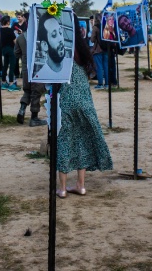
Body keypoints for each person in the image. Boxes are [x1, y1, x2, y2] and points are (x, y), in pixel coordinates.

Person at [56, 22, 113, 198]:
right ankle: (80, 185)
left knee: (64, 142)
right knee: (82, 141)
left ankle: (63, 188)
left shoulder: (61, 49)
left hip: (66, 101)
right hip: (84, 102)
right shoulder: (81, 49)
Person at [14, 11, 47, 126]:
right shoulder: (41, 37)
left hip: (25, 69)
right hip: (38, 69)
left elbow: (16, 53)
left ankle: (22, 109)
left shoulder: (21, 38)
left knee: (27, 90)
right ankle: (34, 118)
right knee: (36, 93)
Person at [33, 11, 69, 79]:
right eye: (54, 35)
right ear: (44, 45)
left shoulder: (71, 66)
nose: (60, 39)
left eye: (60, 32)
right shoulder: (41, 76)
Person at [0, 15, 18, 89]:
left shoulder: (0, 30)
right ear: (7, 22)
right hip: (11, 49)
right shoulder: (10, 30)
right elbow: (14, 41)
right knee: (12, 66)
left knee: (5, 66)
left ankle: (3, 82)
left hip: (3, 49)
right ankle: (11, 82)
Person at [91, 16, 107, 89]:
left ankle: (100, 84)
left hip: (98, 49)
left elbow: (92, 39)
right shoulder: (106, 26)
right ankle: (107, 84)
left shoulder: (95, 27)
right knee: (106, 66)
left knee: (99, 67)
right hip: (106, 49)